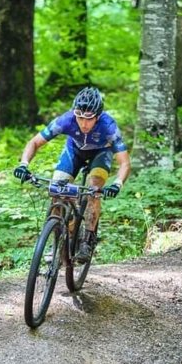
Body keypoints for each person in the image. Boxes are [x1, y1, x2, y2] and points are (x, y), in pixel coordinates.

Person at [13, 87, 131, 263]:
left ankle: (88, 240)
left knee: (94, 188)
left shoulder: (108, 127)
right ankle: (58, 240)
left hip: (101, 153)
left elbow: (124, 162)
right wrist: (23, 164)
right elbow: (35, 142)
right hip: (74, 151)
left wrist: (117, 183)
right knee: (57, 188)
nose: (83, 123)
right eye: (80, 116)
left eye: (89, 118)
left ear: (97, 116)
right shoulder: (66, 120)